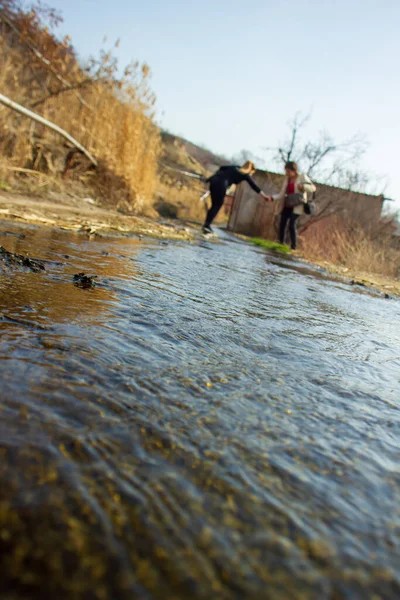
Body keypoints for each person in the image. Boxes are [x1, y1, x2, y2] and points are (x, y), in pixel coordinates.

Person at [202, 161, 271, 234]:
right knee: (218, 204)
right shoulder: (245, 174)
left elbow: (222, 167)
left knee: (214, 204)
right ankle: (207, 225)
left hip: (214, 181)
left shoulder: (235, 167)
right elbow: (254, 186)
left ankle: (206, 225)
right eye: (252, 172)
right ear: (251, 169)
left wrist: (217, 176)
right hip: (221, 185)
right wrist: (264, 196)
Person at [267, 161, 316, 250]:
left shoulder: (302, 176)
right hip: (288, 203)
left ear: (294, 170)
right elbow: (281, 193)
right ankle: (281, 244)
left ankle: (293, 247)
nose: (287, 173)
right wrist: (272, 198)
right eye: (286, 171)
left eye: (289, 171)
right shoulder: (287, 179)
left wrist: (303, 187)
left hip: (298, 205)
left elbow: (313, 188)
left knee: (292, 224)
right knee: (282, 223)